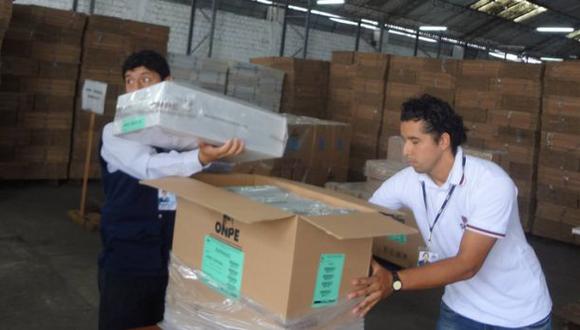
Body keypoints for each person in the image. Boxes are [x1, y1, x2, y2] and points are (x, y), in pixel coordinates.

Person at [348, 94, 552, 329]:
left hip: (517, 314)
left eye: (415, 141)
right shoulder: (407, 181)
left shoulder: (491, 183)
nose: (406, 151)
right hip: (459, 308)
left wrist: (393, 281)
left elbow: (468, 265)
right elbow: (362, 218)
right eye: (404, 140)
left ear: (443, 141)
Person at [98, 50, 245, 330]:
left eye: (145, 79)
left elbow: (200, 144)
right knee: (124, 319)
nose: (136, 88)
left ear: (167, 83)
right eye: (130, 81)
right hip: (129, 253)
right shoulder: (116, 131)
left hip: (173, 252)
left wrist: (225, 145)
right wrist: (201, 158)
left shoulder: (179, 133)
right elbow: (148, 167)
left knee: (164, 321)